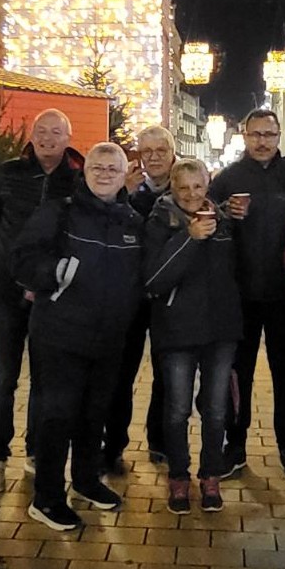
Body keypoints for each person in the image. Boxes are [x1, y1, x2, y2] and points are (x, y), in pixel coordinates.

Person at [13, 142, 143, 531]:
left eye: (112, 169)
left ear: (125, 177)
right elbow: (21, 258)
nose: (104, 174)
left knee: (94, 413)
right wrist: (57, 274)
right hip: (60, 334)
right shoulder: (61, 212)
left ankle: (86, 480)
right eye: (98, 167)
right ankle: (47, 497)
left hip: (108, 337)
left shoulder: (131, 221)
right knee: (58, 415)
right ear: (85, 172)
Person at [0, 109, 83, 494]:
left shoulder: (76, 179)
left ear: (68, 137)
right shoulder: (8, 173)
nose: (47, 138)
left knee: (44, 379)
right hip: (5, 292)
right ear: (31, 135)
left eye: (56, 132)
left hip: (50, 296)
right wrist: (0, 267)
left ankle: (36, 452)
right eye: (41, 131)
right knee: (4, 376)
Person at [209, 108, 285, 485]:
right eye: (255, 134)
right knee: (237, 376)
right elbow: (206, 222)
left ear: (278, 136)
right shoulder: (228, 179)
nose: (262, 142)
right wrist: (224, 213)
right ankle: (234, 446)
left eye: (269, 135)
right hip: (240, 295)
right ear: (244, 135)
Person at [144, 158, 242, 514]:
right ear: (172, 187)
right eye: (183, 187)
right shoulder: (159, 222)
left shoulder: (225, 222)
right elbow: (154, 280)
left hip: (220, 331)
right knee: (177, 410)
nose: (191, 194)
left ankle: (211, 475)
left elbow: (239, 271)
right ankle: (179, 477)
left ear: (208, 185)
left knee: (216, 410)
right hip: (177, 330)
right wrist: (189, 238)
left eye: (198, 186)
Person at [101, 125, 175, 472]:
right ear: (139, 157)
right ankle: (113, 445)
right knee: (120, 372)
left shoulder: (185, 191)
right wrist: (123, 196)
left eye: (161, 150)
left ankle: (160, 439)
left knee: (166, 372)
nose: (155, 157)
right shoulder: (128, 191)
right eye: (147, 152)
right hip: (129, 297)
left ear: (172, 154)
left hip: (167, 298)